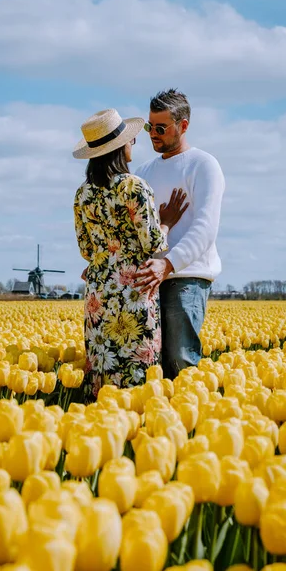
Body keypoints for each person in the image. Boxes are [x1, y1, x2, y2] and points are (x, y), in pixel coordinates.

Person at [72, 108, 187, 400]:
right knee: (137, 374)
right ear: (119, 148)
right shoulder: (134, 187)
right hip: (133, 293)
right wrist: (167, 221)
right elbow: (152, 245)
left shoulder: (82, 194)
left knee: (103, 372)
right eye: (130, 140)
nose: (132, 144)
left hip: (99, 294)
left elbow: (86, 249)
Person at [134, 89, 225, 379]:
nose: (153, 134)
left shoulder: (204, 165)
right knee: (149, 366)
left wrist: (169, 263)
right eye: (150, 127)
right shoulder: (143, 171)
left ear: (183, 125)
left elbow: (206, 227)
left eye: (161, 128)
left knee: (179, 361)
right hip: (148, 277)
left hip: (185, 277)